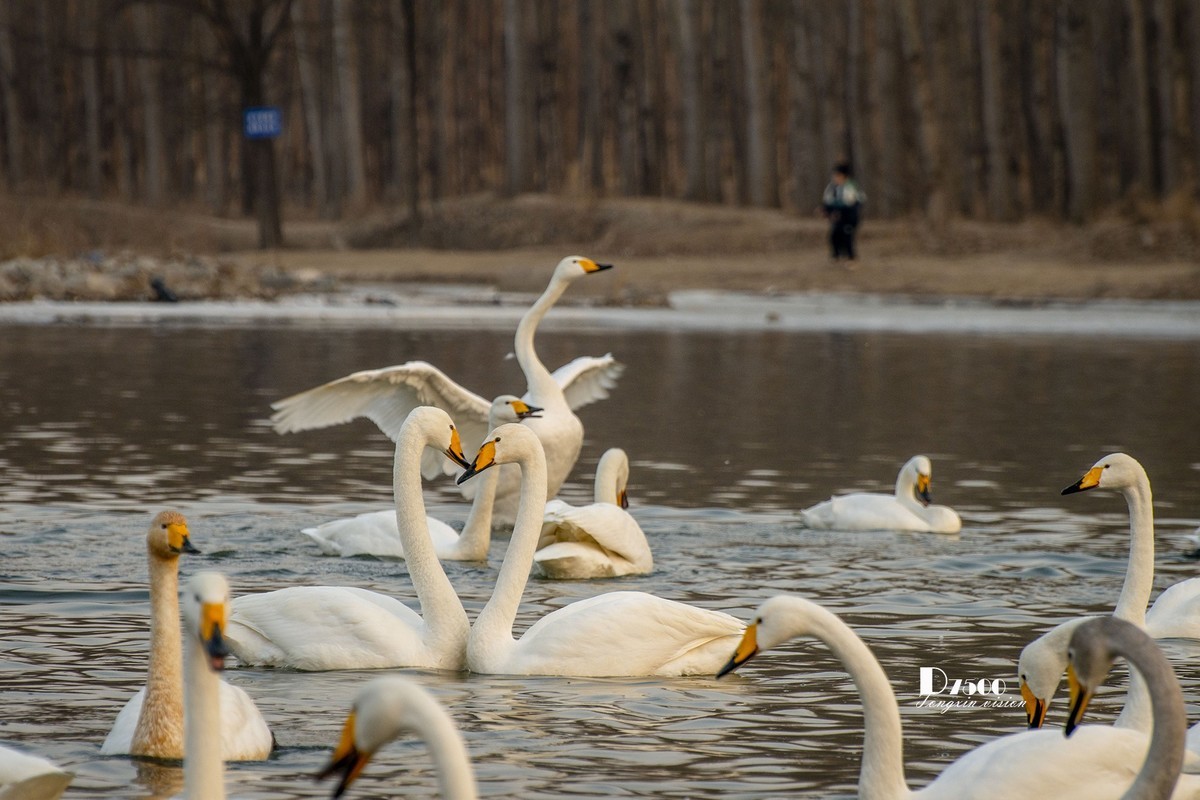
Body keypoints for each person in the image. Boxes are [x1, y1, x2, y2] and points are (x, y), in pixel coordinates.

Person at [822, 163, 865, 262]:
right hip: (838, 216)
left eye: (838, 175)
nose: (835, 178)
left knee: (847, 236)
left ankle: (851, 257)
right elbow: (828, 201)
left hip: (849, 216)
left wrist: (850, 213)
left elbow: (855, 202)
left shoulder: (851, 187)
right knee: (834, 235)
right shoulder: (832, 187)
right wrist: (826, 210)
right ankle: (836, 256)